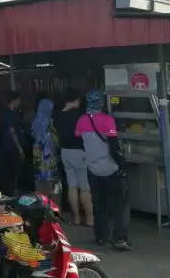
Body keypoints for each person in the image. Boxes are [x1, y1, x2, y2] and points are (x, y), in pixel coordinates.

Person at [75, 90, 130, 251]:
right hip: (110, 170)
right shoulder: (107, 120)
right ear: (100, 103)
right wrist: (122, 165)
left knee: (99, 205)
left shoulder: (81, 121)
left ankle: (100, 237)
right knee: (119, 205)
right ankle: (119, 238)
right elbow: (114, 146)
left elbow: (80, 141)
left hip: (92, 170)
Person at [54, 88, 93, 227]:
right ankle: (89, 219)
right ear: (76, 100)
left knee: (71, 185)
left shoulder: (57, 115)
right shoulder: (81, 115)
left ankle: (76, 218)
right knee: (84, 186)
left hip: (65, 152)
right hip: (80, 152)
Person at [31, 98, 59, 198]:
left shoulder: (35, 121)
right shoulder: (49, 122)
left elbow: (33, 135)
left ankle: (41, 202)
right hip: (48, 152)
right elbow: (55, 139)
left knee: (39, 179)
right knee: (50, 181)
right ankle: (52, 203)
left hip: (38, 152)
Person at [0, 91, 25, 195]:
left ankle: (12, 192)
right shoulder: (10, 114)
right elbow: (12, 132)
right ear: (14, 100)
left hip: (9, 147)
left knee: (13, 172)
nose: (20, 102)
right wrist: (19, 148)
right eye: (19, 100)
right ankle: (11, 193)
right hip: (11, 148)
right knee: (13, 172)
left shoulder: (11, 113)